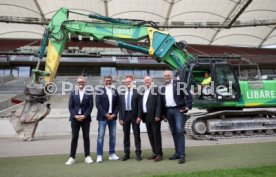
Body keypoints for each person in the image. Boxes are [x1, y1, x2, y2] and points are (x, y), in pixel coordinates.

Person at [161, 70, 192, 164]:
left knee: (179, 131)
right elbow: (162, 102)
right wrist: (164, 114)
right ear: (163, 77)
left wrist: (187, 107)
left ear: (171, 76)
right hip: (168, 111)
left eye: (168, 75)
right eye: (165, 75)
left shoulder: (179, 84)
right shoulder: (162, 88)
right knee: (174, 132)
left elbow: (188, 95)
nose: (167, 76)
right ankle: (177, 153)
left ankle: (182, 155)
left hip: (178, 110)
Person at [65, 76, 93, 165]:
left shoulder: (89, 93)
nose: (81, 83)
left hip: (86, 119)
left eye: (82, 82)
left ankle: (87, 156)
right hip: (75, 119)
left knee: (86, 138)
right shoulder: (73, 93)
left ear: (85, 83)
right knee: (74, 138)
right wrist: (75, 115)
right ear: (77, 83)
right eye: (79, 82)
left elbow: (90, 106)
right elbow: (70, 106)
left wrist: (84, 115)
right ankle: (72, 157)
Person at [95, 76, 120, 163]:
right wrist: (105, 114)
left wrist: (114, 114)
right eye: (106, 81)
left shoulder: (114, 91)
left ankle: (112, 154)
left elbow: (118, 104)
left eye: (109, 81)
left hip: (112, 117)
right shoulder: (100, 91)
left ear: (111, 81)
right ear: (104, 81)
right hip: (103, 117)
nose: (108, 82)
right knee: (100, 137)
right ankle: (99, 155)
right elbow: (98, 104)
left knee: (113, 136)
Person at [139, 76, 163, 162]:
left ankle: (159, 154)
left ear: (152, 81)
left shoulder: (156, 90)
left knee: (156, 135)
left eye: (148, 80)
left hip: (154, 117)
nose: (147, 81)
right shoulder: (143, 91)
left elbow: (159, 103)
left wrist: (158, 115)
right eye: (145, 80)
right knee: (150, 135)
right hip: (146, 117)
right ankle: (154, 152)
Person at [118, 75, 142, 161]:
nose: (128, 83)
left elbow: (140, 106)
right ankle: (126, 153)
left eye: (129, 82)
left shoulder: (137, 93)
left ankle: (138, 153)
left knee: (137, 135)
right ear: (125, 83)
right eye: (126, 82)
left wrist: (139, 116)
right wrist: (120, 118)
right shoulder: (122, 93)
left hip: (134, 116)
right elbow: (120, 107)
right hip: (125, 116)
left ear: (132, 82)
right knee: (126, 135)